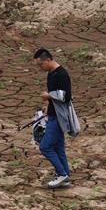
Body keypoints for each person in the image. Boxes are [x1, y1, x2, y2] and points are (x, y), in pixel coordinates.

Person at [33, 48, 81, 188]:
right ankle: (65, 177)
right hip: (53, 114)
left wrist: (49, 96)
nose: (40, 68)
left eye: (40, 64)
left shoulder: (61, 74)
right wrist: (48, 106)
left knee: (45, 147)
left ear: (48, 60)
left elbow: (66, 96)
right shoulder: (51, 74)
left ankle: (61, 174)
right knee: (58, 148)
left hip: (60, 117)